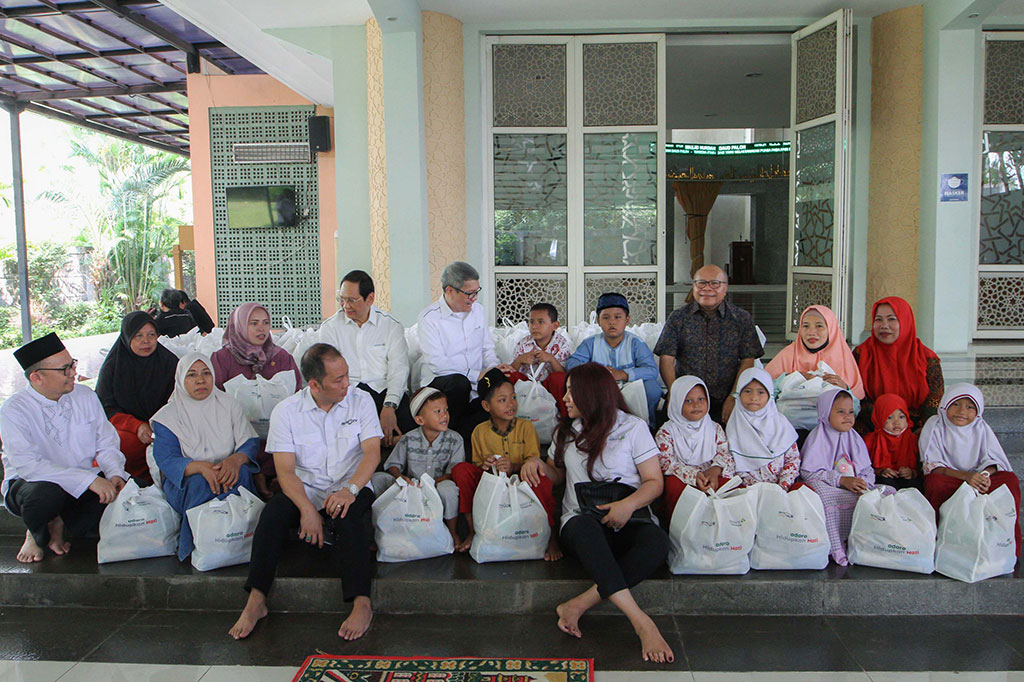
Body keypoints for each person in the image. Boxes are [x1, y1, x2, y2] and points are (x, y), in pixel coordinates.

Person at [520, 363, 673, 663]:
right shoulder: (566, 431)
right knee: (586, 532)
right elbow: (558, 476)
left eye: (571, 392)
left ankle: (579, 604)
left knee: (657, 544)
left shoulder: (633, 427)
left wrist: (628, 505)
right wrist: (538, 465)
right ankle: (642, 622)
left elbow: (655, 483)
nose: (564, 398)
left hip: (629, 516)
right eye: (565, 391)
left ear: (592, 394)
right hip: (582, 520)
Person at [229, 343, 381, 641]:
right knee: (271, 516)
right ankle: (256, 599)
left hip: (351, 483)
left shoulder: (361, 401)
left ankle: (361, 603)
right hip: (306, 488)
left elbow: (372, 454)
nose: (346, 384)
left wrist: (350, 490)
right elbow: (285, 471)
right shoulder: (287, 412)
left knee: (352, 521)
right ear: (314, 384)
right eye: (338, 380)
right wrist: (307, 510)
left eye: (347, 375)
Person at [1, 333, 127, 563]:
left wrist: (114, 473)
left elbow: (106, 442)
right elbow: (29, 467)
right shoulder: (14, 409)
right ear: (37, 377)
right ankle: (36, 533)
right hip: (31, 485)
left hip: (82, 483)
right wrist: (88, 481)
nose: (73, 373)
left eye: (72, 364)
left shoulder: (85, 396)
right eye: (65, 369)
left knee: (121, 497)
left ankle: (59, 522)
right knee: (44, 495)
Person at [151, 352, 261, 560]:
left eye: (206, 373)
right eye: (192, 375)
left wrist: (236, 460)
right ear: (181, 380)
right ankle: (199, 546)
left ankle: (244, 542)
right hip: (188, 478)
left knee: (243, 473)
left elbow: (249, 441)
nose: (200, 380)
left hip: (228, 469)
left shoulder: (229, 404)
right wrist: (200, 468)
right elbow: (167, 458)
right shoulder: (168, 416)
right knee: (201, 483)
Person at [450, 368, 561, 559]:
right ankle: (472, 530)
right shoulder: (479, 431)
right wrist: (485, 466)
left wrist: (514, 467)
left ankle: (551, 538)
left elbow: (533, 461)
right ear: (486, 406)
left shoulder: (525, 427)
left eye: (513, 397)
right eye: (502, 400)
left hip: (521, 483)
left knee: (540, 477)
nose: (511, 404)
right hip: (491, 486)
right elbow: (477, 465)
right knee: (461, 470)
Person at [211, 302, 302, 497]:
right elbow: (215, 398)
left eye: (266, 322)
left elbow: (297, 394)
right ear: (240, 325)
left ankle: (279, 477)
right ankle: (255, 474)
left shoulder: (282, 357)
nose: (261, 328)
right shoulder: (222, 358)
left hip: (277, 432)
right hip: (235, 433)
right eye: (253, 323)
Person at [417, 261, 513, 445]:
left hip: (476, 380)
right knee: (459, 384)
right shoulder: (429, 318)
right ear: (450, 291)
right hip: (444, 383)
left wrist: (494, 369)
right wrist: (477, 375)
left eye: (477, 292)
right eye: (469, 293)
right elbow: (437, 363)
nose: (474, 298)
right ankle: (448, 443)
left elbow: (487, 348)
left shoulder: (478, 311)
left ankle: (484, 445)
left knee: (501, 382)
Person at [920, 384, 1021, 557]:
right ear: (945, 405)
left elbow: (993, 458)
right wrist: (966, 477)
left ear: (978, 411)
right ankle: (938, 542)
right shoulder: (935, 425)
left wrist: (985, 476)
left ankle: (1008, 544)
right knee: (935, 483)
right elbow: (933, 466)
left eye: (970, 407)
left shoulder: (980, 428)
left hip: (977, 478)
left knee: (1009, 480)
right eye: (956, 404)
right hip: (951, 477)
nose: (962, 411)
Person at [654, 264, 763, 424]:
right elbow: (667, 358)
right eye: (701, 283)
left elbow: (748, 360)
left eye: (714, 283)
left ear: (725, 288)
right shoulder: (678, 318)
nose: (707, 288)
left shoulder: (741, 318)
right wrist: (675, 393)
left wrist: (734, 396)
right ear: (693, 287)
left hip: (726, 399)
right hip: (687, 400)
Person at [317, 269, 415, 446]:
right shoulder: (330, 328)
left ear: (370, 299)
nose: (345, 306)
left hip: (383, 391)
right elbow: (329, 372)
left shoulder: (390, 326)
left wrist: (389, 406)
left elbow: (398, 370)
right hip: (347, 393)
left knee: (411, 431)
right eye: (342, 299)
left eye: (352, 300)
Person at [800, 389, 885, 566]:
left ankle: (863, 544)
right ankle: (836, 546)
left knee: (887, 493)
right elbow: (808, 473)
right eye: (840, 412)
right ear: (825, 413)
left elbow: (866, 469)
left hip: (853, 489)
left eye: (851, 412)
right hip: (830, 488)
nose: (847, 417)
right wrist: (841, 480)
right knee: (823, 495)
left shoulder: (854, 438)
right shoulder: (817, 438)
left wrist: (864, 484)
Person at [370, 387, 464, 548]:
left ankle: (452, 531)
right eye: (437, 411)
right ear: (420, 420)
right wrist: (401, 478)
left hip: (437, 486)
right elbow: (392, 465)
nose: (444, 416)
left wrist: (431, 484)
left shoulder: (455, 439)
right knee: (377, 479)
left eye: (446, 410)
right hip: (412, 486)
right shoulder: (408, 438)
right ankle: (379, 532)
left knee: (449, 489)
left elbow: (453, 472)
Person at [95, 311, 177, 484]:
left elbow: (180, 398)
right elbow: (104, 408)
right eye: (138, 336)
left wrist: (160, 424)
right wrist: (137, 426)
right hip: (127, 427)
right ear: (127, 337)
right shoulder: (113, 367)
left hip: (165, 423)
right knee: (125, 444)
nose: (145, 341)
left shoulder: (169, 362)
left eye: (151, 335)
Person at [766, 305, 864, 435]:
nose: (811, 332)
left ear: (831, 329)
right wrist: (789, 378)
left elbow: (855, 407)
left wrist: (845, 388)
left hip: (832, 433)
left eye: (819, 326)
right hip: (789, 433)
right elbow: (763, 390)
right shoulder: (788, 355)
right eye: (806, 326)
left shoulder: (843, 357)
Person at [565, 292, 660, 425]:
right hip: (599, 388)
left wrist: (623, 374)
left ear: (627, 320)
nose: (612, 322)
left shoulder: (635, 343)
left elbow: (651, 370)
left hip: (629, 387)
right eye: (606, 317)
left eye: (617, 317)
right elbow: (571, 363)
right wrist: (595, 372)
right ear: (598, 321)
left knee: (653, 388)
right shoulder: (591, 343)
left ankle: (648, 426)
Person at [854, 296, 943, 433]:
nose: (884, 325)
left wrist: (918, 430)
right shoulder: (862, 354)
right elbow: (856, 396)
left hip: (916, 430)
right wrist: (885, 425)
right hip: (874, 429)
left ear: (905, 321)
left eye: (892, 319)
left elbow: (935, 398)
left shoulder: (926, 358)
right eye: (878, 319)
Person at [655, 375, 733, 517]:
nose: (696, 405)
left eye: (701, 399)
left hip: (711, 475)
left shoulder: (714, 428)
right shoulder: (667, 431)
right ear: (677, 403)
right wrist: (693, 476)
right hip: (683, 476)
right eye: (688, 400)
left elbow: (724, 452)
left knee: (731, 485)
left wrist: (715, 470)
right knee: (673, 487)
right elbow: (665, 463)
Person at [725, 367, 801, 491]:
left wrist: (782, 487)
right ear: (739, 393)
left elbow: (792, 459)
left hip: (782, 490)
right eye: (747, 391)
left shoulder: (781, 424)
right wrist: (747, 491)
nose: (754, 397)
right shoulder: (734, 425)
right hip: (745, 493)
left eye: (760, 392)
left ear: (769, 395)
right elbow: (729, 463)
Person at [509, 302, 571, 416]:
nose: (534, 326)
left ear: (555, 326)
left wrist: (551, 359)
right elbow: (512, 369)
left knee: (559, 379)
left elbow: (564, 373)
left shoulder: (561, 343)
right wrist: (520, 360)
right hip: (527, 387)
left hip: (549, 388)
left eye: (541, 322)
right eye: (531, 322)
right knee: (509, 376)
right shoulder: (523, 343)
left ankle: (565, 419)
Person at [864, 393, 922, 491]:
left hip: (907, 479)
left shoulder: (913, 439)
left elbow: (921, 468)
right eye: (889, 417)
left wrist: (911, 472)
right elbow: (863, 468)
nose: (896, 422)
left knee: (913, 485)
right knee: (886, 483)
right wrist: (881, 471)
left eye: (901, 417)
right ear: (879, 418)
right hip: (883, 479)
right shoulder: (870, 440)